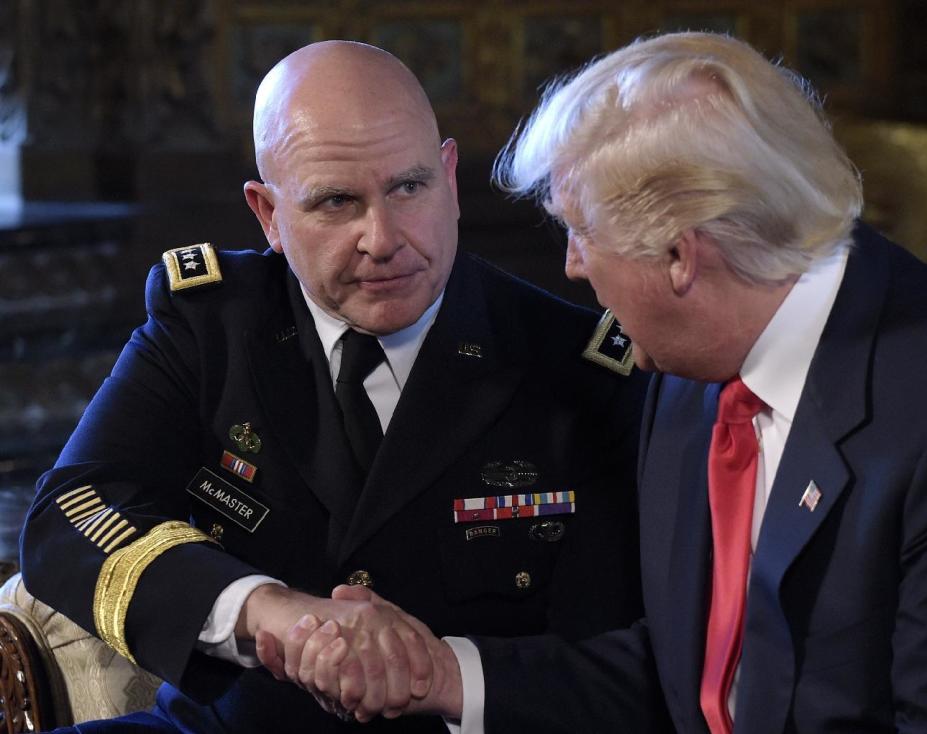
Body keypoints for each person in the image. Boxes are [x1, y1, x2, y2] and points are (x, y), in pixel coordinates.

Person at [280, 32, 927, 733]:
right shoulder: (684, 369)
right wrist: (443, 677)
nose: (573, 266)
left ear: (678, 257)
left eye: (581, 231)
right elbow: (684, 677)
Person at [18, 41, 649, 732]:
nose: (382, 238)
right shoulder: (213, 325)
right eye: (337, 202)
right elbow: (72, 512)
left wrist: (439, 672)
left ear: (449, 177)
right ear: (268, 216)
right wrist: (268, 612)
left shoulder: (577, 368)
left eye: (408, 188)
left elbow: (620, 661)